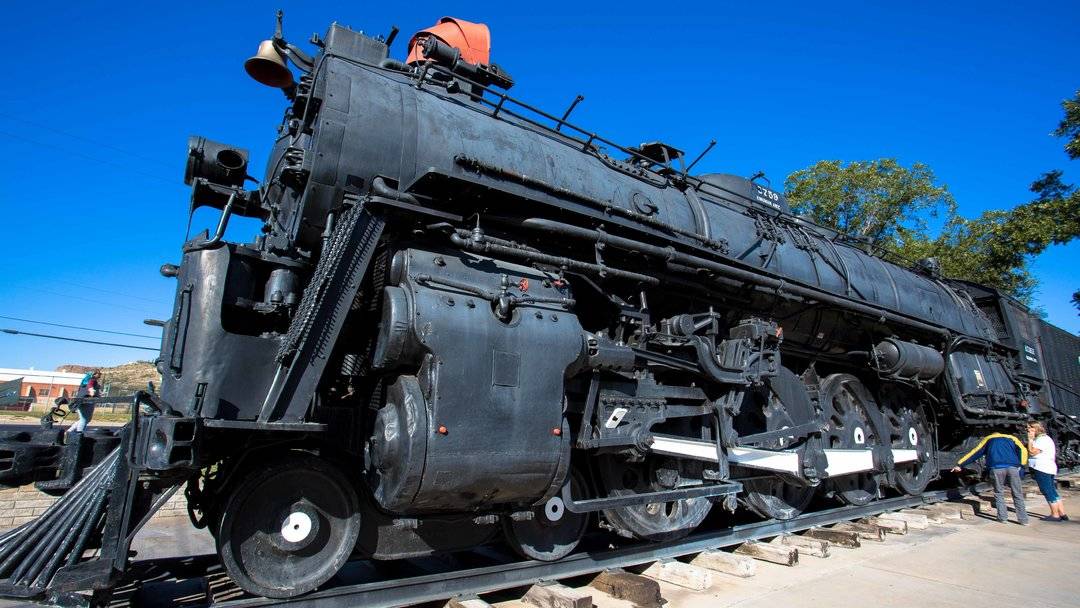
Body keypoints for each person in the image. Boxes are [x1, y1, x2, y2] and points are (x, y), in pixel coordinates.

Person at [951, 430, 1029, 525]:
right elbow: (1023, 450)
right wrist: (1021, 465)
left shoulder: (988, 439)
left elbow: (975, 453)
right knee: (1017, 493)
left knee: (999, 493)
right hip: (1012, 468)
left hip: (996, 469)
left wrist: (960, 464)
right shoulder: (1012, 438)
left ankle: (1002, 518)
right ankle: (1023, 520)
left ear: (992, 434)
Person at [1027, 421, 1068, 521]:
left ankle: (1055, 515)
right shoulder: (1045, 438)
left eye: (1029, 428)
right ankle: (1062, 513)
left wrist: (1030, 440)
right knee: (1052, 490)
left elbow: (1032, 452)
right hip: (1048, 467)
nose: (1027, 430)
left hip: (1042, 468)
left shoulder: (1041, 440)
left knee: (1047, 490)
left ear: (1035, 428)